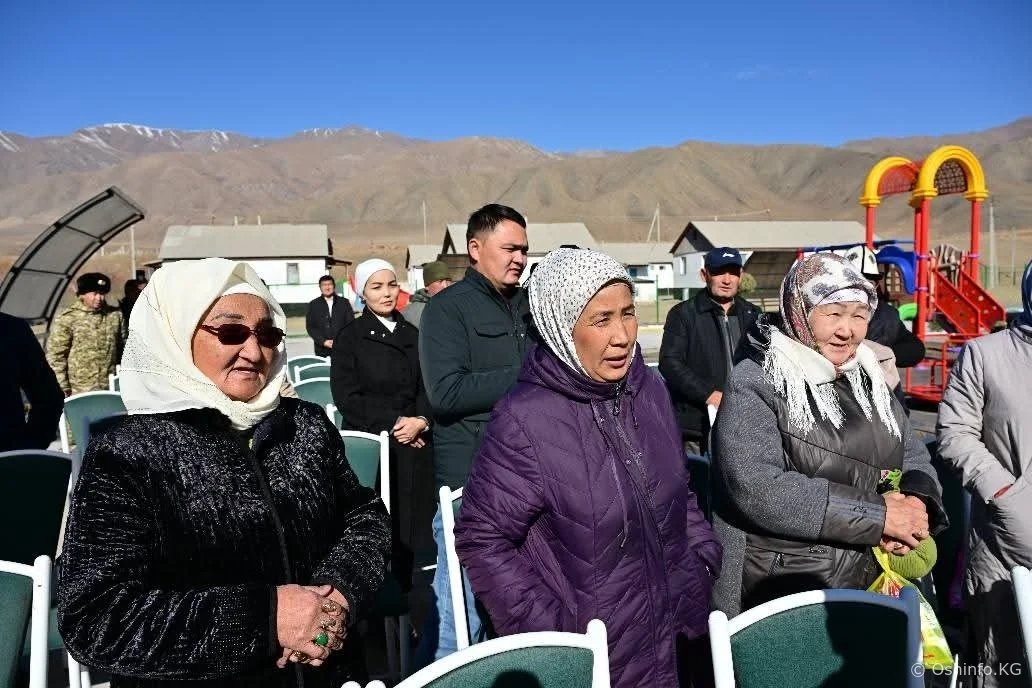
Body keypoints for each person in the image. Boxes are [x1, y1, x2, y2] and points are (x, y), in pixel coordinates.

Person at [56, 258, 391, 687]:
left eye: (267, 335)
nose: (254, 352)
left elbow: (365, 520)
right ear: (177, 334)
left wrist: (337, 593)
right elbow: (96, 618)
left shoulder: (304, 425)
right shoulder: (127, 453)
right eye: (231, 333)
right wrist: (267, 618)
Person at [454, 248, 721, 688]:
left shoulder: (651, 390)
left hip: (682, 638)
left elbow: (679, 490)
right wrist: (556, 641)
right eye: (601, 320)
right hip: (597, 663)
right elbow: (483, 539)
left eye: (628, 313)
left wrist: (701, 560)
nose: (622, 336)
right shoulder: (525, 419)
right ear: (560, 326)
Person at [710, 252, 947, 616]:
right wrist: (878, 516)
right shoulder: (757, 380)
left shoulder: (866, 375)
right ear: (799, 312)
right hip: (784, 587)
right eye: (833, 314)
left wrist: (915, 504)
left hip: (870, 578)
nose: (847, 330)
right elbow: (757, 488)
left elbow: (912, 452)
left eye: (859, 315)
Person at [417, 203, 531, 662]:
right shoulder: (446, 310)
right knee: (458, 628)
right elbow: (445, 393)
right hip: (471, 489)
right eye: (509, 248)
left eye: (524, 249)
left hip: (528, 483)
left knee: (516, 624)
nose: (519, 258)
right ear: (475, 248)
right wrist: (531, 375)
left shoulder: (529, 307)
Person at [936, 258, 1032, 688]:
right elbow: (955, 433)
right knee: (1005, 664)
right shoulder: (986, 354)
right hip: (1004, 544)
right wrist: (1005, 492)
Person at [330, 258, 436, 629]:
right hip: (377, 445)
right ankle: (369, 616)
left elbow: (428, 387)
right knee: (376, 528)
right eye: (376, 286)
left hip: (414, 444)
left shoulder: (412, 333)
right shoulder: (351, 337)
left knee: (412, 530)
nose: (387, 293)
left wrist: (421, 421)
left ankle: (407, 609)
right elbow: (347, 397)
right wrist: (394, 424)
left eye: (392, 284)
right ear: (361, 292)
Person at [659, 247, 761, 454]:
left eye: (733, 272)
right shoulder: (683, 314)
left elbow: (763, 362)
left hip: (745, 423)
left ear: (741, 275)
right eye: (719, 272)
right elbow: (670, 363)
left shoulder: (753, 314)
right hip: (698, 427)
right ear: (704, 275)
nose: (727, 280)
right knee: (700, 474)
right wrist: (709, 395)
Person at [845, 244, 925, 367]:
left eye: (867, 283)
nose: (859, 290)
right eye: (852, 283)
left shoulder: (887, 316)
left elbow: (916, 349)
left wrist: (883, 355)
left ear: (876, 285)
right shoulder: (822, 312)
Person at [46, 272, 123, 396]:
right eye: (95, 294)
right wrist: (62, 386)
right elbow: (56, 355)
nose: (99, 298)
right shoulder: (68, 318)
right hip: (79, 390)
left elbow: (124, 349)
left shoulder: (115, 316)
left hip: (110, 388)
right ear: (83, 294)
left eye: (102, 294)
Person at [0, 313, 64, 452]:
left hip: (9, 454)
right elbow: (49, 397)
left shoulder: (12, 330)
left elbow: (48, 396)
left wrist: (30, 447)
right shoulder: (12, 329)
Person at [306, 275, 354, 357]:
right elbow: (311, 327)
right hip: (321, 349)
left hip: (342, 348)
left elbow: (350, 324)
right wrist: (323, 341)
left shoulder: (344, 303)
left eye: (329, 284)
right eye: (324, 285)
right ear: (320, 287)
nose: (327, 287)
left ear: (334, 286)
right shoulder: (313, 304)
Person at [402, 261, 453, 329]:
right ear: (427, 286)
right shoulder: (409, 313)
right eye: (440, 281)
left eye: (448, 280)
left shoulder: (456, 307)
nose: (445, 285)